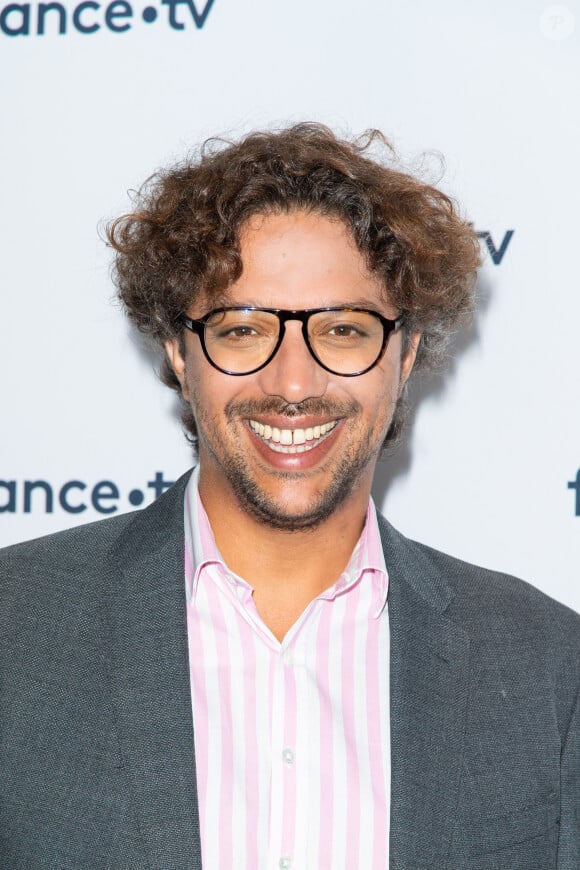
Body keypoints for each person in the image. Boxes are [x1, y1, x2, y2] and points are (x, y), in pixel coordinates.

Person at [1, 124, 578, 870]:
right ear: (179, 350)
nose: (294, 384)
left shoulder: (545, 670)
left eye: (343, 329)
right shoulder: (17, 631)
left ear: (404, 355)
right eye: (243, 330)